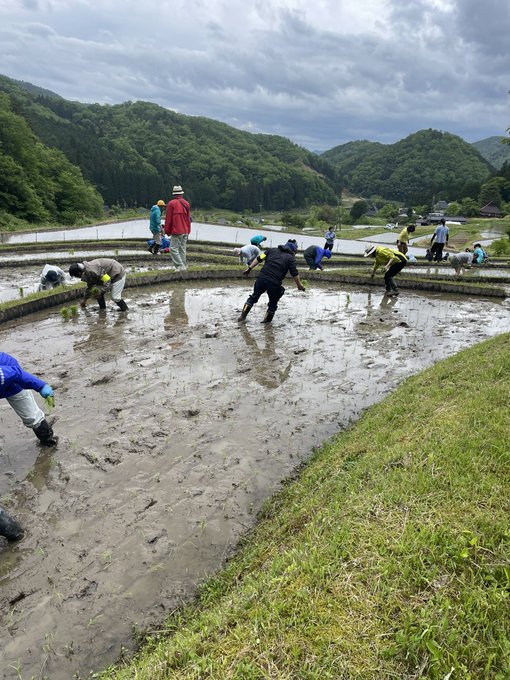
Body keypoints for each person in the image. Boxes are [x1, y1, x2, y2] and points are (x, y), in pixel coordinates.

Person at [238, 241, 306, 323]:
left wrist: (249, 268)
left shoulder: (271, 250)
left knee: (253, 297)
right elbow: (294, 273)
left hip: (261, 279)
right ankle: (266, 325)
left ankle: (242, 316)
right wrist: (299, 285)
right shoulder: (290, 258)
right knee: (273, 303)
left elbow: (259, 258)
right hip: (274, 283)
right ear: (293, 251)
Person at [0, 351, 57, 447]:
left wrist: (41, 386)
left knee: (31, 416)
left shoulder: (4, 374)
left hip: (12, 380)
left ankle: (48, 442)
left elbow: (17, 374)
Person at [164, 185, 191, 271]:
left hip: (177, 230)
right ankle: (184, 265)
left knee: (173, 249)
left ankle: (180, 266)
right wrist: (188, 230)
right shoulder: (186, 203)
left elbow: (168, 219)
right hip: (185, 230)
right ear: (181, 194)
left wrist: (167, 230)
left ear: (174, 194)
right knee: (182, 249)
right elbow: (188, 218)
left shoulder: (171, 204)